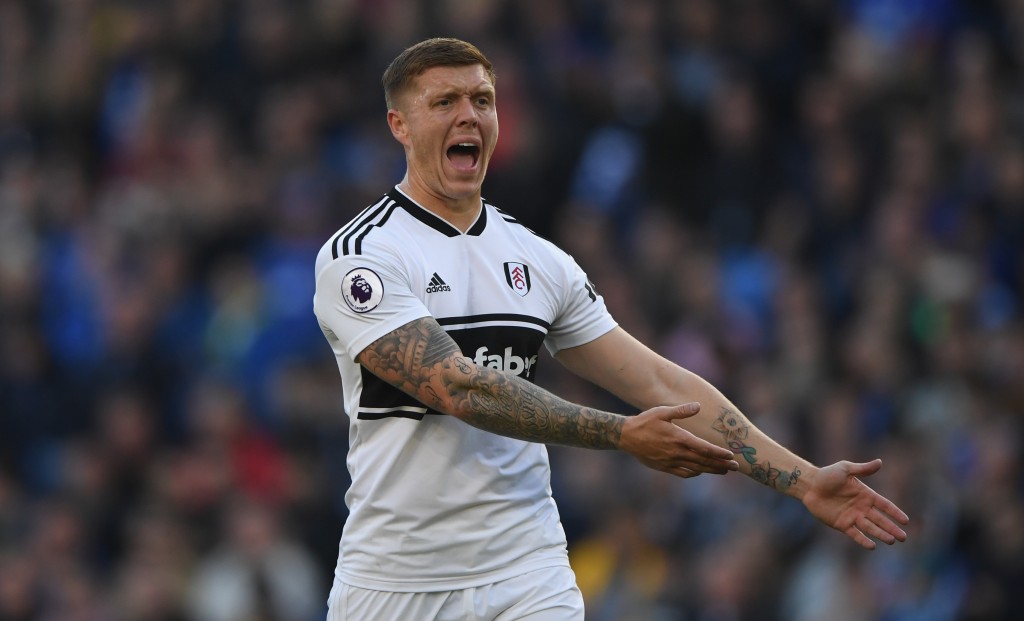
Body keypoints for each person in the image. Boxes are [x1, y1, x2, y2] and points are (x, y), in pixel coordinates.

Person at [312, 37, 909, 621]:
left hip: (528, 570)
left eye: (483, 100)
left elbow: (655, 380)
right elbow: (460, 389)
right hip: (397, 582)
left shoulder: (540, 259)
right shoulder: (361, 257)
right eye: (445, 102)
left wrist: (802, 480)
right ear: (400, 125)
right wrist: (620, 435)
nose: (470, 115)